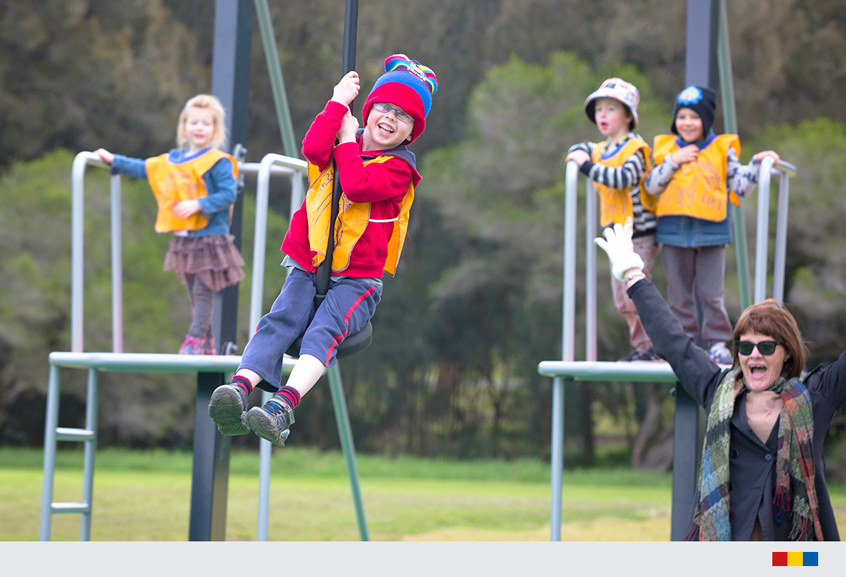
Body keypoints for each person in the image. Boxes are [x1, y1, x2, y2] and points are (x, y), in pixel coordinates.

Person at [207, 54, 438, 447]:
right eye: (383, 106)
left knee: (322, 331)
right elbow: (312, 147)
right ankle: (241, 387)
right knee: (278, 321)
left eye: (402, 116)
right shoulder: (338, 139)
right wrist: (336, 103)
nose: (389, 118)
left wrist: (348, 140)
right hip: (309, 263)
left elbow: (357, 185)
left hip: (358, 278)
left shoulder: (400, 168)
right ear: (368, 108)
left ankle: (282, 406)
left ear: (411, 131)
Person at [596, 217, 846, 541]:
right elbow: (674, 342)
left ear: (786, 352)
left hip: (792, 556)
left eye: (766, 346)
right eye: (745, 346)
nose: (753, 354)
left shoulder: (815, 396)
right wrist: (633, 274)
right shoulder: (719, 389)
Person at [94, 94, 244, 355]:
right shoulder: (173, 160)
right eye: (194, 122)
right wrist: (114, 161)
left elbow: (228, 193)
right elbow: (145, 169)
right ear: (184, 126)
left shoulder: (217, 161)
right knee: (191, 290)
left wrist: (200, 203)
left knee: (202, 290)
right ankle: (206, 342)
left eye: (206, 124)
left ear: (215, 129)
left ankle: (195, 339)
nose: (199, 128)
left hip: (210, 235)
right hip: (185, 237)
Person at [643, 85, 780, 365]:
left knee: (710, 295)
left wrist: (757, 163)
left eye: (694, 117)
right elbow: (651, 184)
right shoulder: (667, 149)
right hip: (673, 233)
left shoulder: (721, 149)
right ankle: (685, 342)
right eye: (682, 117)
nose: (687, 123)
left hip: (712, 233)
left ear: (706, 120)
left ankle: (718, 342)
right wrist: (672, 161)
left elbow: (739, 185)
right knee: (679, 296)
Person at [565, 78, 660, 362]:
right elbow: (577, 149)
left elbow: (621, 179)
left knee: (636, 290)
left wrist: (584, 165)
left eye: (610, 109)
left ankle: (655, 346)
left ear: (629, 116)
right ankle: (644, 347)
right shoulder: (601, 149)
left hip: (638, 233)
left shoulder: (635, 148)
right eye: (598, 110)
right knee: (622, 298)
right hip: (616, 234)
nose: (602, 115)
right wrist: (578, 155)